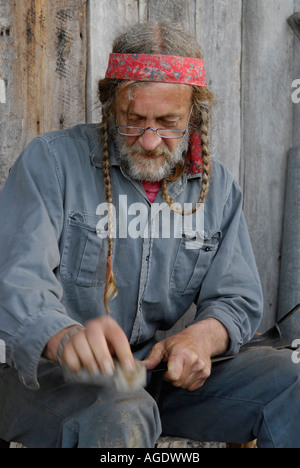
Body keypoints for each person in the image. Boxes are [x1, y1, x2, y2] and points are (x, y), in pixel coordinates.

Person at [0, 21, 299, 449]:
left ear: (194, 116)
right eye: (133, 120)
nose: (150, 139)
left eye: (168, 122)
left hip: (157, 376)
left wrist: (200, 337)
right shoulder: (51, 163)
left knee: (292, 383)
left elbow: (236, 298)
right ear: (110, 106)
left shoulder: (215, 188)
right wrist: (64, 337)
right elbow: (15, 277)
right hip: (54, 383)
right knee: (123, 410)